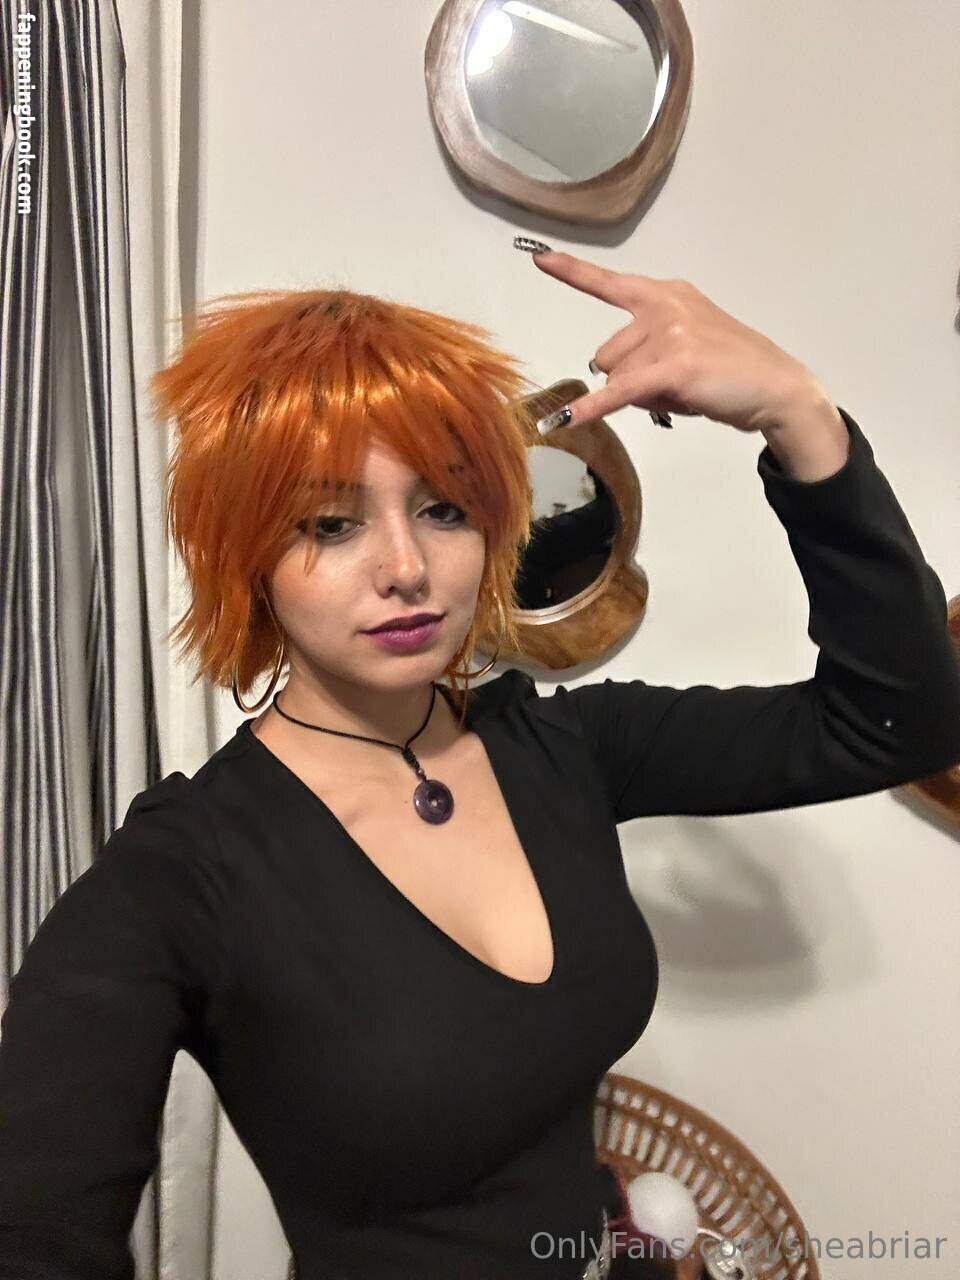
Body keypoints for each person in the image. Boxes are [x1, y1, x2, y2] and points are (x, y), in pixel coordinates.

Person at [1, 259, 959, 1280]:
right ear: (248, 556)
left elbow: (896, 723)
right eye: (330, 523)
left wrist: (797, 411)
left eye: (445, 508)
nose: (407, 567)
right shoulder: (182, 876)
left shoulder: (566, 748)